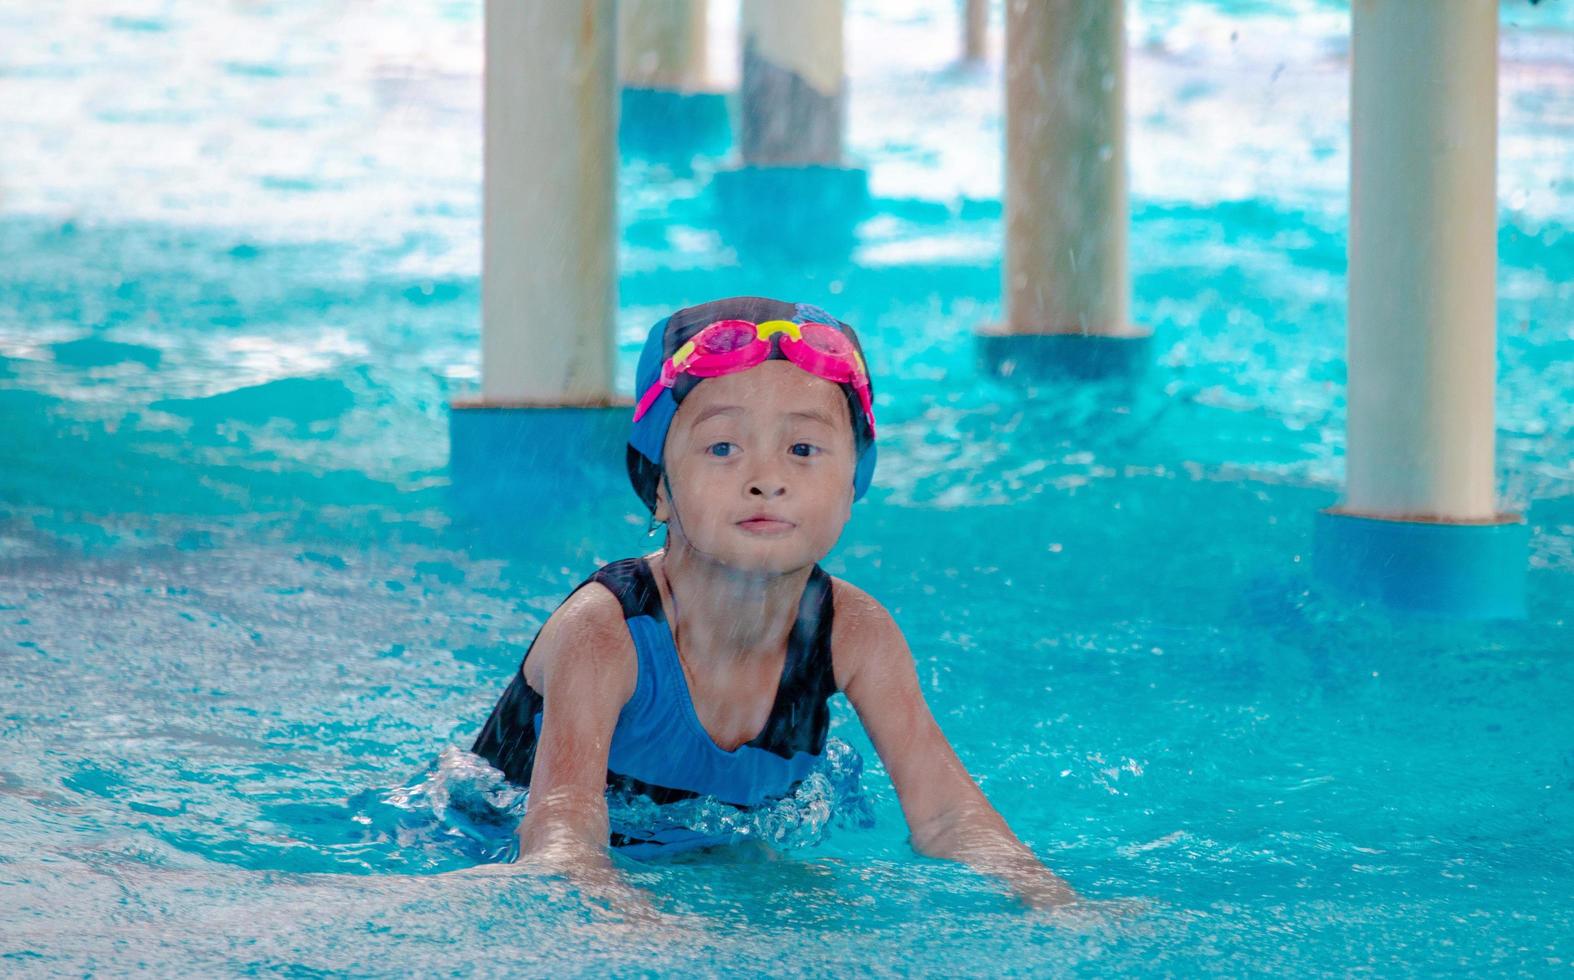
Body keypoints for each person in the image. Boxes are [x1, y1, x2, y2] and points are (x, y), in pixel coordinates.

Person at [471, 296, 1075, 908]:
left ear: (852, 486)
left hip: (709, 860)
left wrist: (1053, 901)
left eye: (804, 450)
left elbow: (948, 816)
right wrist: (632, 924)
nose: (766, 478)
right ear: (658, 487)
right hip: (482, 849)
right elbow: (561, 834)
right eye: (723, 448)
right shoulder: (606, 631)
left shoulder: (854, 632)